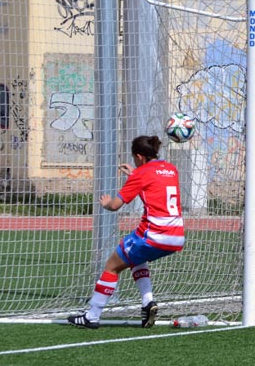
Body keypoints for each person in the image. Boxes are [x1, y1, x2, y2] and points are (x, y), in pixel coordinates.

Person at [68, 135, 185, 329]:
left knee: (112, 265)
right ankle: (148, 302)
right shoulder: (171, 170)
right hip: (176, 236)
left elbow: (115, 205)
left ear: (139, 156)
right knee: (136, 258)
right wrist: (135, 175)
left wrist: (106, 203)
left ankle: (92, 315)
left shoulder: (141, 174)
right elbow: (154, 184)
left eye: (134, 158)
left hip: (153, 235)